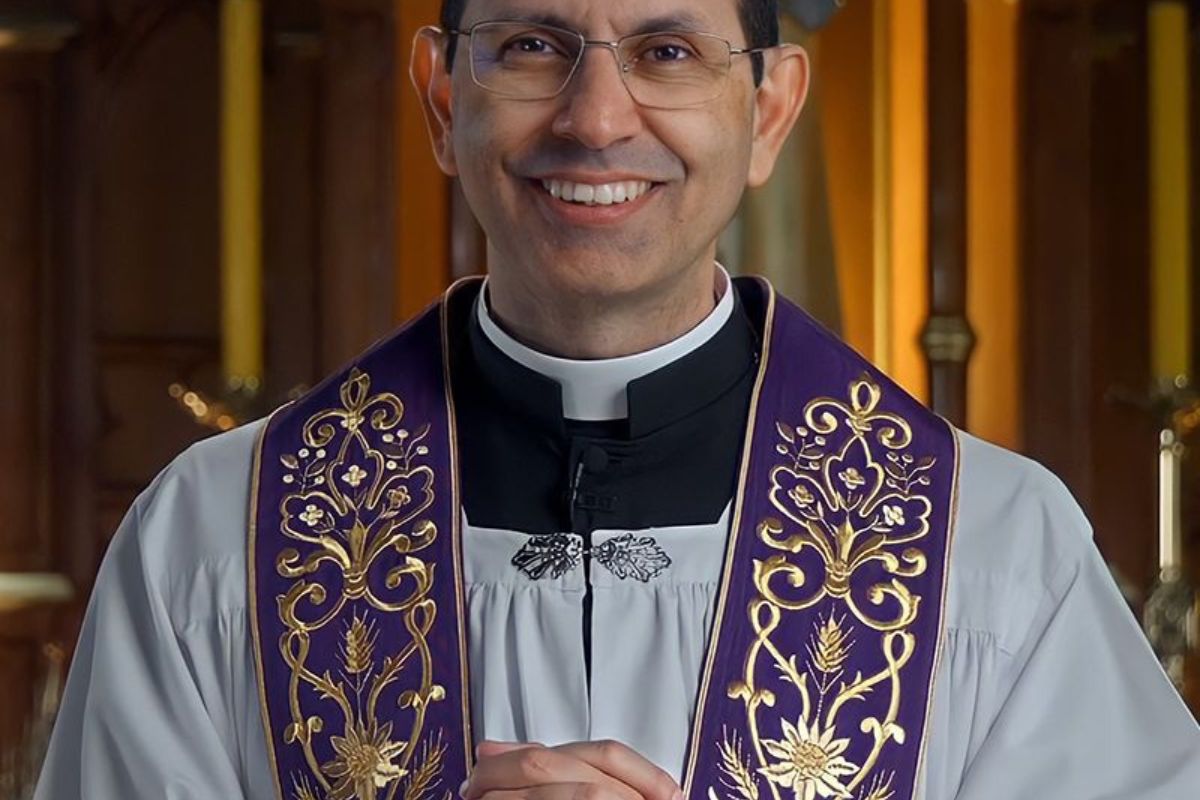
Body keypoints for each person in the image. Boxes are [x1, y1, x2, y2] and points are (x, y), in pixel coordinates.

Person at [34, 1, 1200, 798]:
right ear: (444, 100)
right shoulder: (216, 538)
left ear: (772, 109)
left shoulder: (992, 546)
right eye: (535, 44)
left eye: (668, 51)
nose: (596, 119)